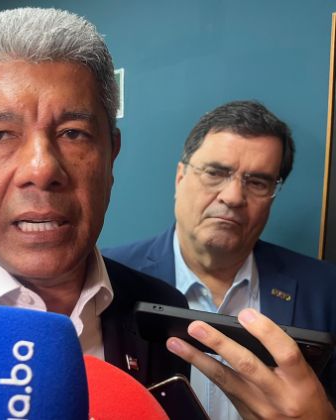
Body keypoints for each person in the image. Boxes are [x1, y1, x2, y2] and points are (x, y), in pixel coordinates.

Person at [0, 10, 335, 420]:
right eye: (0, 135)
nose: (41, 168)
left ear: (112, 155)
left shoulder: (158, 309)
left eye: (73, 134)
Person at [104, 100, 336, 419]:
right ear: (180, 178)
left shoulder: (326, 290)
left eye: (257, 182)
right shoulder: (107, 279)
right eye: (215, 173)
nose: (233, 197)